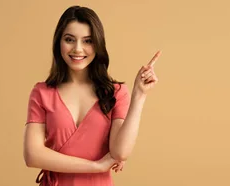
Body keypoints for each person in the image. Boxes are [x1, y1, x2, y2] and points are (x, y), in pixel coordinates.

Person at [23, 5, 160, 186]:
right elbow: (32, 155)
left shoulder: (116, 93)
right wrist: (96, 166)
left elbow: (120, 152)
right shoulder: (42, 93)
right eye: (69, 39)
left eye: (87, 41)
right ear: (59, 43)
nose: (78, 49)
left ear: (98, 44)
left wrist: (139, 95)